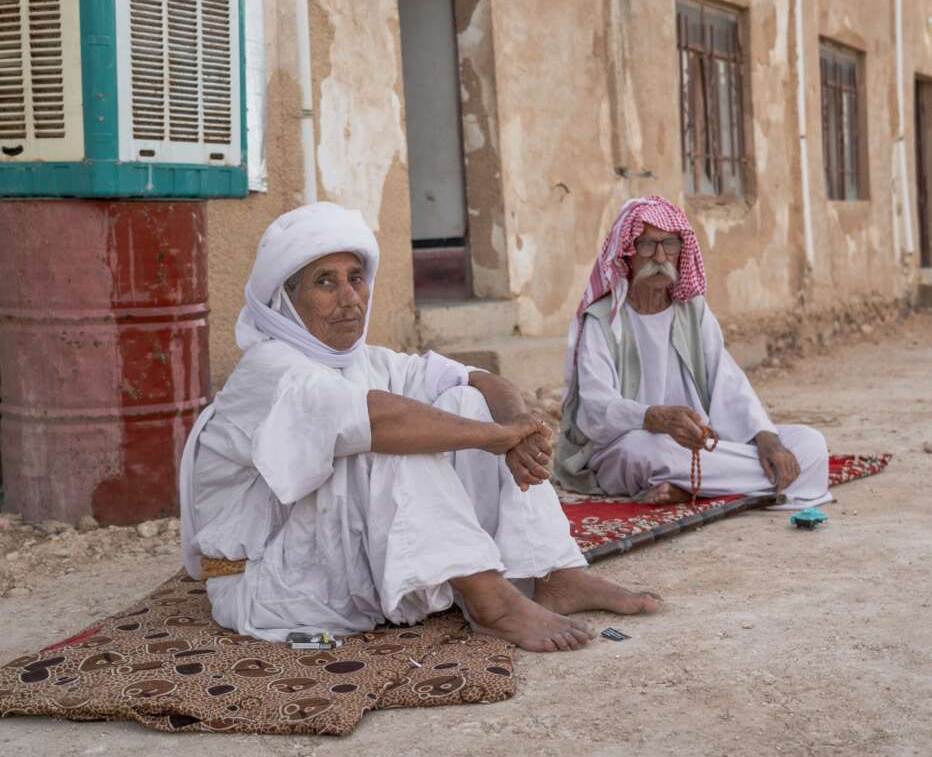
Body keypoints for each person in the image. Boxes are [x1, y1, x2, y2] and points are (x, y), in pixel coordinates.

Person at [178, 202, 659, 652]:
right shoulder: (270, 370)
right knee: (390, 437)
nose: (350, 298)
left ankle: (553, 574)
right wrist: (496, 440)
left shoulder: (363, 362)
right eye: (325, 283)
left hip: (335, 560)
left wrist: (513, 424)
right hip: (274, 581)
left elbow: (477, 378)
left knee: (467, 403)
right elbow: (376, 419)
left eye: (356, 278)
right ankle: (492, 601)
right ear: (286, 301)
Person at [554, 196, 831, 508]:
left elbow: (727, 382)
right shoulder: (602, 321)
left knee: (810, 445)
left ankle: (691, 488)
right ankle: (740, 485)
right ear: (627, 254)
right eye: (646, 244)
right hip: (627, 446)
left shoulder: (692, 312)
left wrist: (766, 436)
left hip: (702, 445)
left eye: (670, 244)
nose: (660, 255)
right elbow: (595, 409)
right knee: (650, 453)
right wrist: (652, 417)